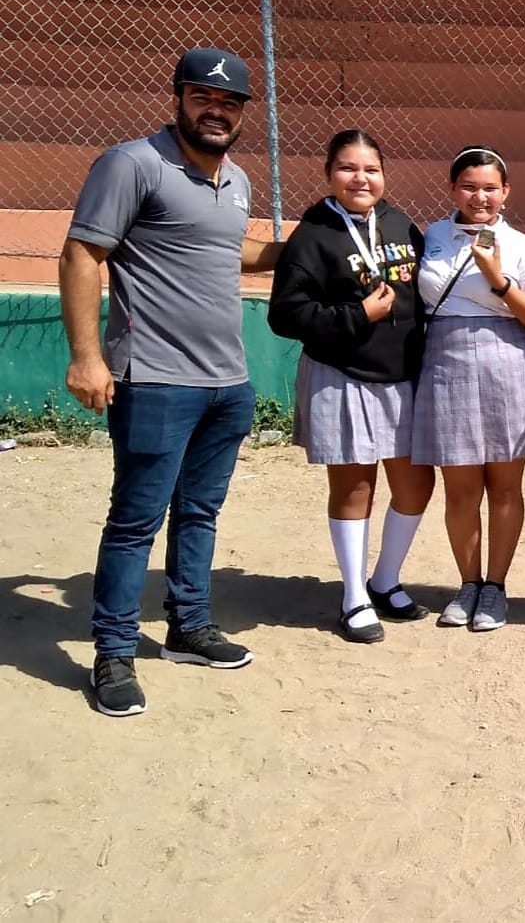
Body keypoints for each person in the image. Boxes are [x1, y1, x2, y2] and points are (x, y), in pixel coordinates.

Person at [59, 47, 283, 718]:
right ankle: (114, 653)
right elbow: (82, 252)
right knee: (135, 521)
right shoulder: (134, 164)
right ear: (178, 98)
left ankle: (187, 626)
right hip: (155, 378)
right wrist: (86, 357)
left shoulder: (236, 180)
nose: (216, 110)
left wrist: (307, 247)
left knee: (200, 512)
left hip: (228, 383)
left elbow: (231, 246)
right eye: (203, 97)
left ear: (244, 112)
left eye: (230, 102)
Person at [267, 130, 434, 644]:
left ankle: (384, 580)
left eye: (371, 169)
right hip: (342, 375)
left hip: (402, 376)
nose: (360, 178)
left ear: (383, 175)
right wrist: (358, 314)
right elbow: (285, 315)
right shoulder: (313, 233)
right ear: (328, 175)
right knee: (355, 486)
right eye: (347, 168)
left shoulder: (402, 224)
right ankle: (354, 596)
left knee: (416, 484)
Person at [411, 146, 525, 632]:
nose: (480, 197)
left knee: (503, 486)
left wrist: (498, 281)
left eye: (490, 188)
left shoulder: (523, 247)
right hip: (445, 364)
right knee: (459, 490)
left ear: (506, 192)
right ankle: (467, 584)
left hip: (507, 366)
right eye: (469, 186)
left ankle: (495, 588)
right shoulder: (431, 237)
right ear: (452, 188)